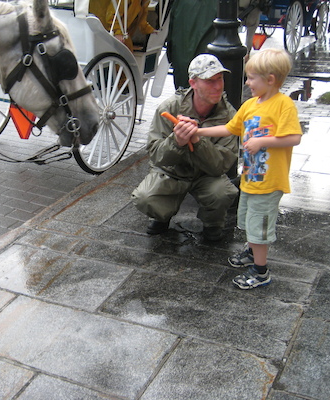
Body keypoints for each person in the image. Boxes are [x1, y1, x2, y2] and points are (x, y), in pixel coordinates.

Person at [176, 48, 302, 289]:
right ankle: (253, 254)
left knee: (260, 226)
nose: (247, 82)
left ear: (270, 79)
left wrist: (262, 141)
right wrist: (197, 131)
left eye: (252, 77)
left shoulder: (282, 105)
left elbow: (294, 137)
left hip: (269, 181)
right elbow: (229, 128)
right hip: (252, 179)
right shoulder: (250, 105)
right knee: (248, 219)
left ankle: (260, 271)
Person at [131, 54, 239, 242]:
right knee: (145, 196)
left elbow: (221, 166)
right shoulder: (170, 107)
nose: (217, 86)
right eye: (210, 81)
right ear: (193, 83)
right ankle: (161, 215)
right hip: (172, 172)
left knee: (223, 192)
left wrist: (198, 141)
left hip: (206, 175)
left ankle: (212, 223)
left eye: (219, 79)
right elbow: (156, 156)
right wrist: (176, 142)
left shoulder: (230, 115)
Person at [89, 0, 157, 52]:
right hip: (103, 27)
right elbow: (113, 14)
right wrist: (117, 32)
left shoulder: (144, 1)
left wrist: (148, 28)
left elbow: (142, 15)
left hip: (119, 29)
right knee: (126, 49)